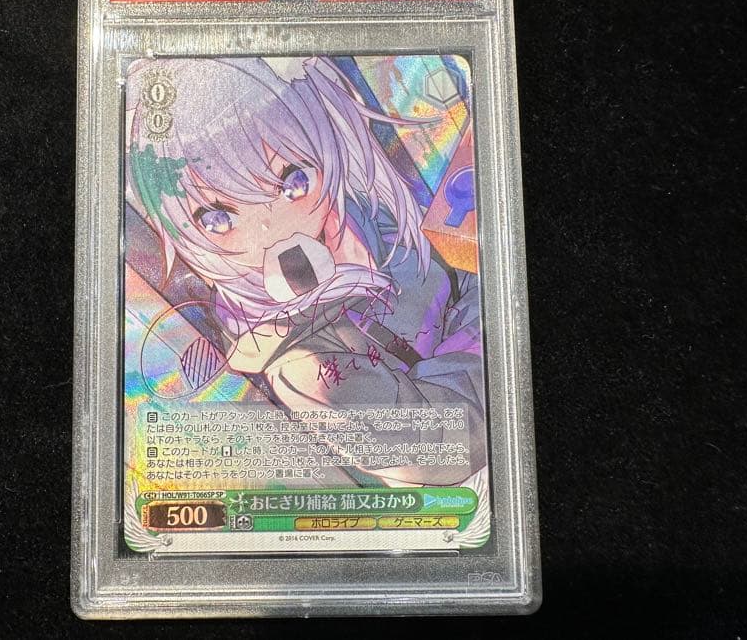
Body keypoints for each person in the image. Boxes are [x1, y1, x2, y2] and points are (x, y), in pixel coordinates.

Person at [127, 56, 485, 486]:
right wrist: (483, 326)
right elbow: (445, 447)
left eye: (294, 180)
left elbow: (467, 282)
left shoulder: (364, 222)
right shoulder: (302, 368)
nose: (271, 228)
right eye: (217, 219)